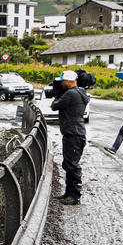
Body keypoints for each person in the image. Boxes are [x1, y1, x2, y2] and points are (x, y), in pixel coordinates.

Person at [51, 69, 90, 205]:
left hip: (74, 134)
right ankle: (68, 193)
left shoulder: (71, 94)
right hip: (73, 133)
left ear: (69, 81)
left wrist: (57, 94)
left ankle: (75, 196)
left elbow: (54, 106)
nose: (61, 84)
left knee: (72, 165)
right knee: (67, 164)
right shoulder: (79, 92)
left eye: (62, 82)